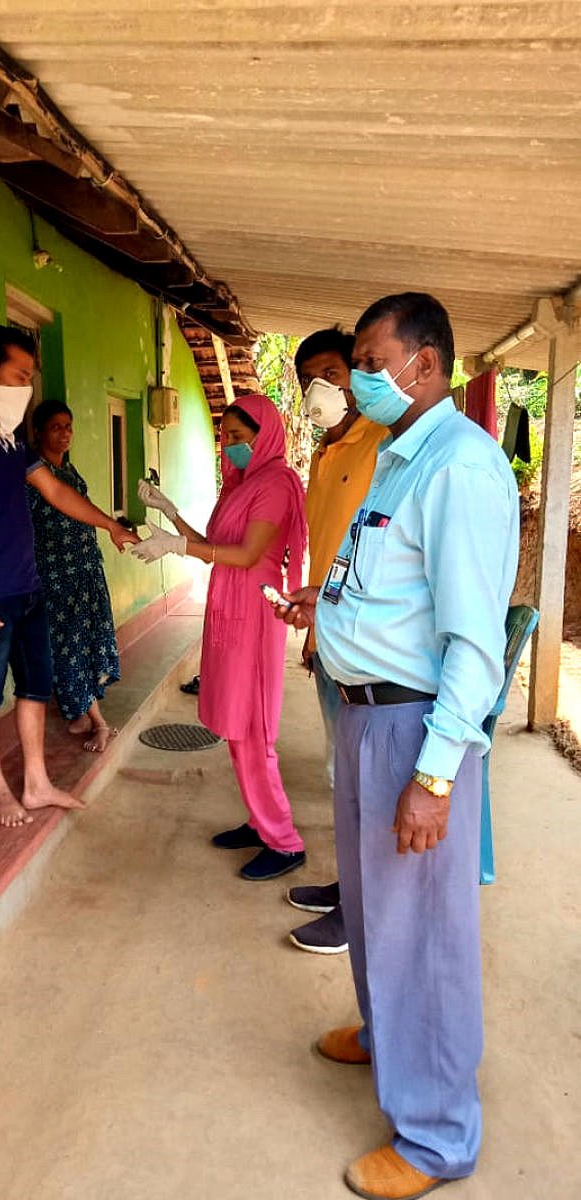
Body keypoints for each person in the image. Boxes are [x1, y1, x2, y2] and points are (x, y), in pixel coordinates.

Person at [280, 294, 519, 1199]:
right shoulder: (395, 456)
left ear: (426, 364)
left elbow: (472, 645)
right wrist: (325, 607)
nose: (360, 379)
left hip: (415, 727)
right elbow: (391, 586)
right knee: (380, 909)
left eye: (372, 361)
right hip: (362, 714)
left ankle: (436, 1135)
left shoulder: (460, 468)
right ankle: (388, 1039)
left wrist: (435, 776)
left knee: (425, 932)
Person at [0, 325, 137, 829]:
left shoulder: (10, 437)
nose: (25, 387)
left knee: (36, 687)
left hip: (29, 586)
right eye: (20, 375)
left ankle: (37, 783)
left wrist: (111, 524)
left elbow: (57, 493)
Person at [134, 393, 307, 881]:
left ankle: (285, 841)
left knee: (254, 729)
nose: (227, 446)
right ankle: (260, 820)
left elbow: (249, 554)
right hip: (230, 609)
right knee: (235, 723)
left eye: (237, 437)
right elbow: (212, 545)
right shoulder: (240, 485)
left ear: (264, 432)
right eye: (224, 437)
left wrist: (176, 544)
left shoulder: (275, 483)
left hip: (255, 611)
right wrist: (169, 512)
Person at [285, 327, 386, 955]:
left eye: (332, 371)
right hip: (330, 636)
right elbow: (329, 546)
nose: (322, 387)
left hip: (371, 648)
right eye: (309, 380)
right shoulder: (326, 451)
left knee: (367, 783)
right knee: (342, 777)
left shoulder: (384, 441)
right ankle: (350, 883)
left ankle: (362, 912)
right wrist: (315, 622)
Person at [28, 399, 121, 752]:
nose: (65, 433)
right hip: (56, 577)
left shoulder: (70, 471)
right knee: (69, 648)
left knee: (89, 643)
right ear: (38, 432)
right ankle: (98, 723)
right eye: (56, 427)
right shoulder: (32, 476)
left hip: (85, 571)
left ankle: (82, 712)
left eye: (68, 426)